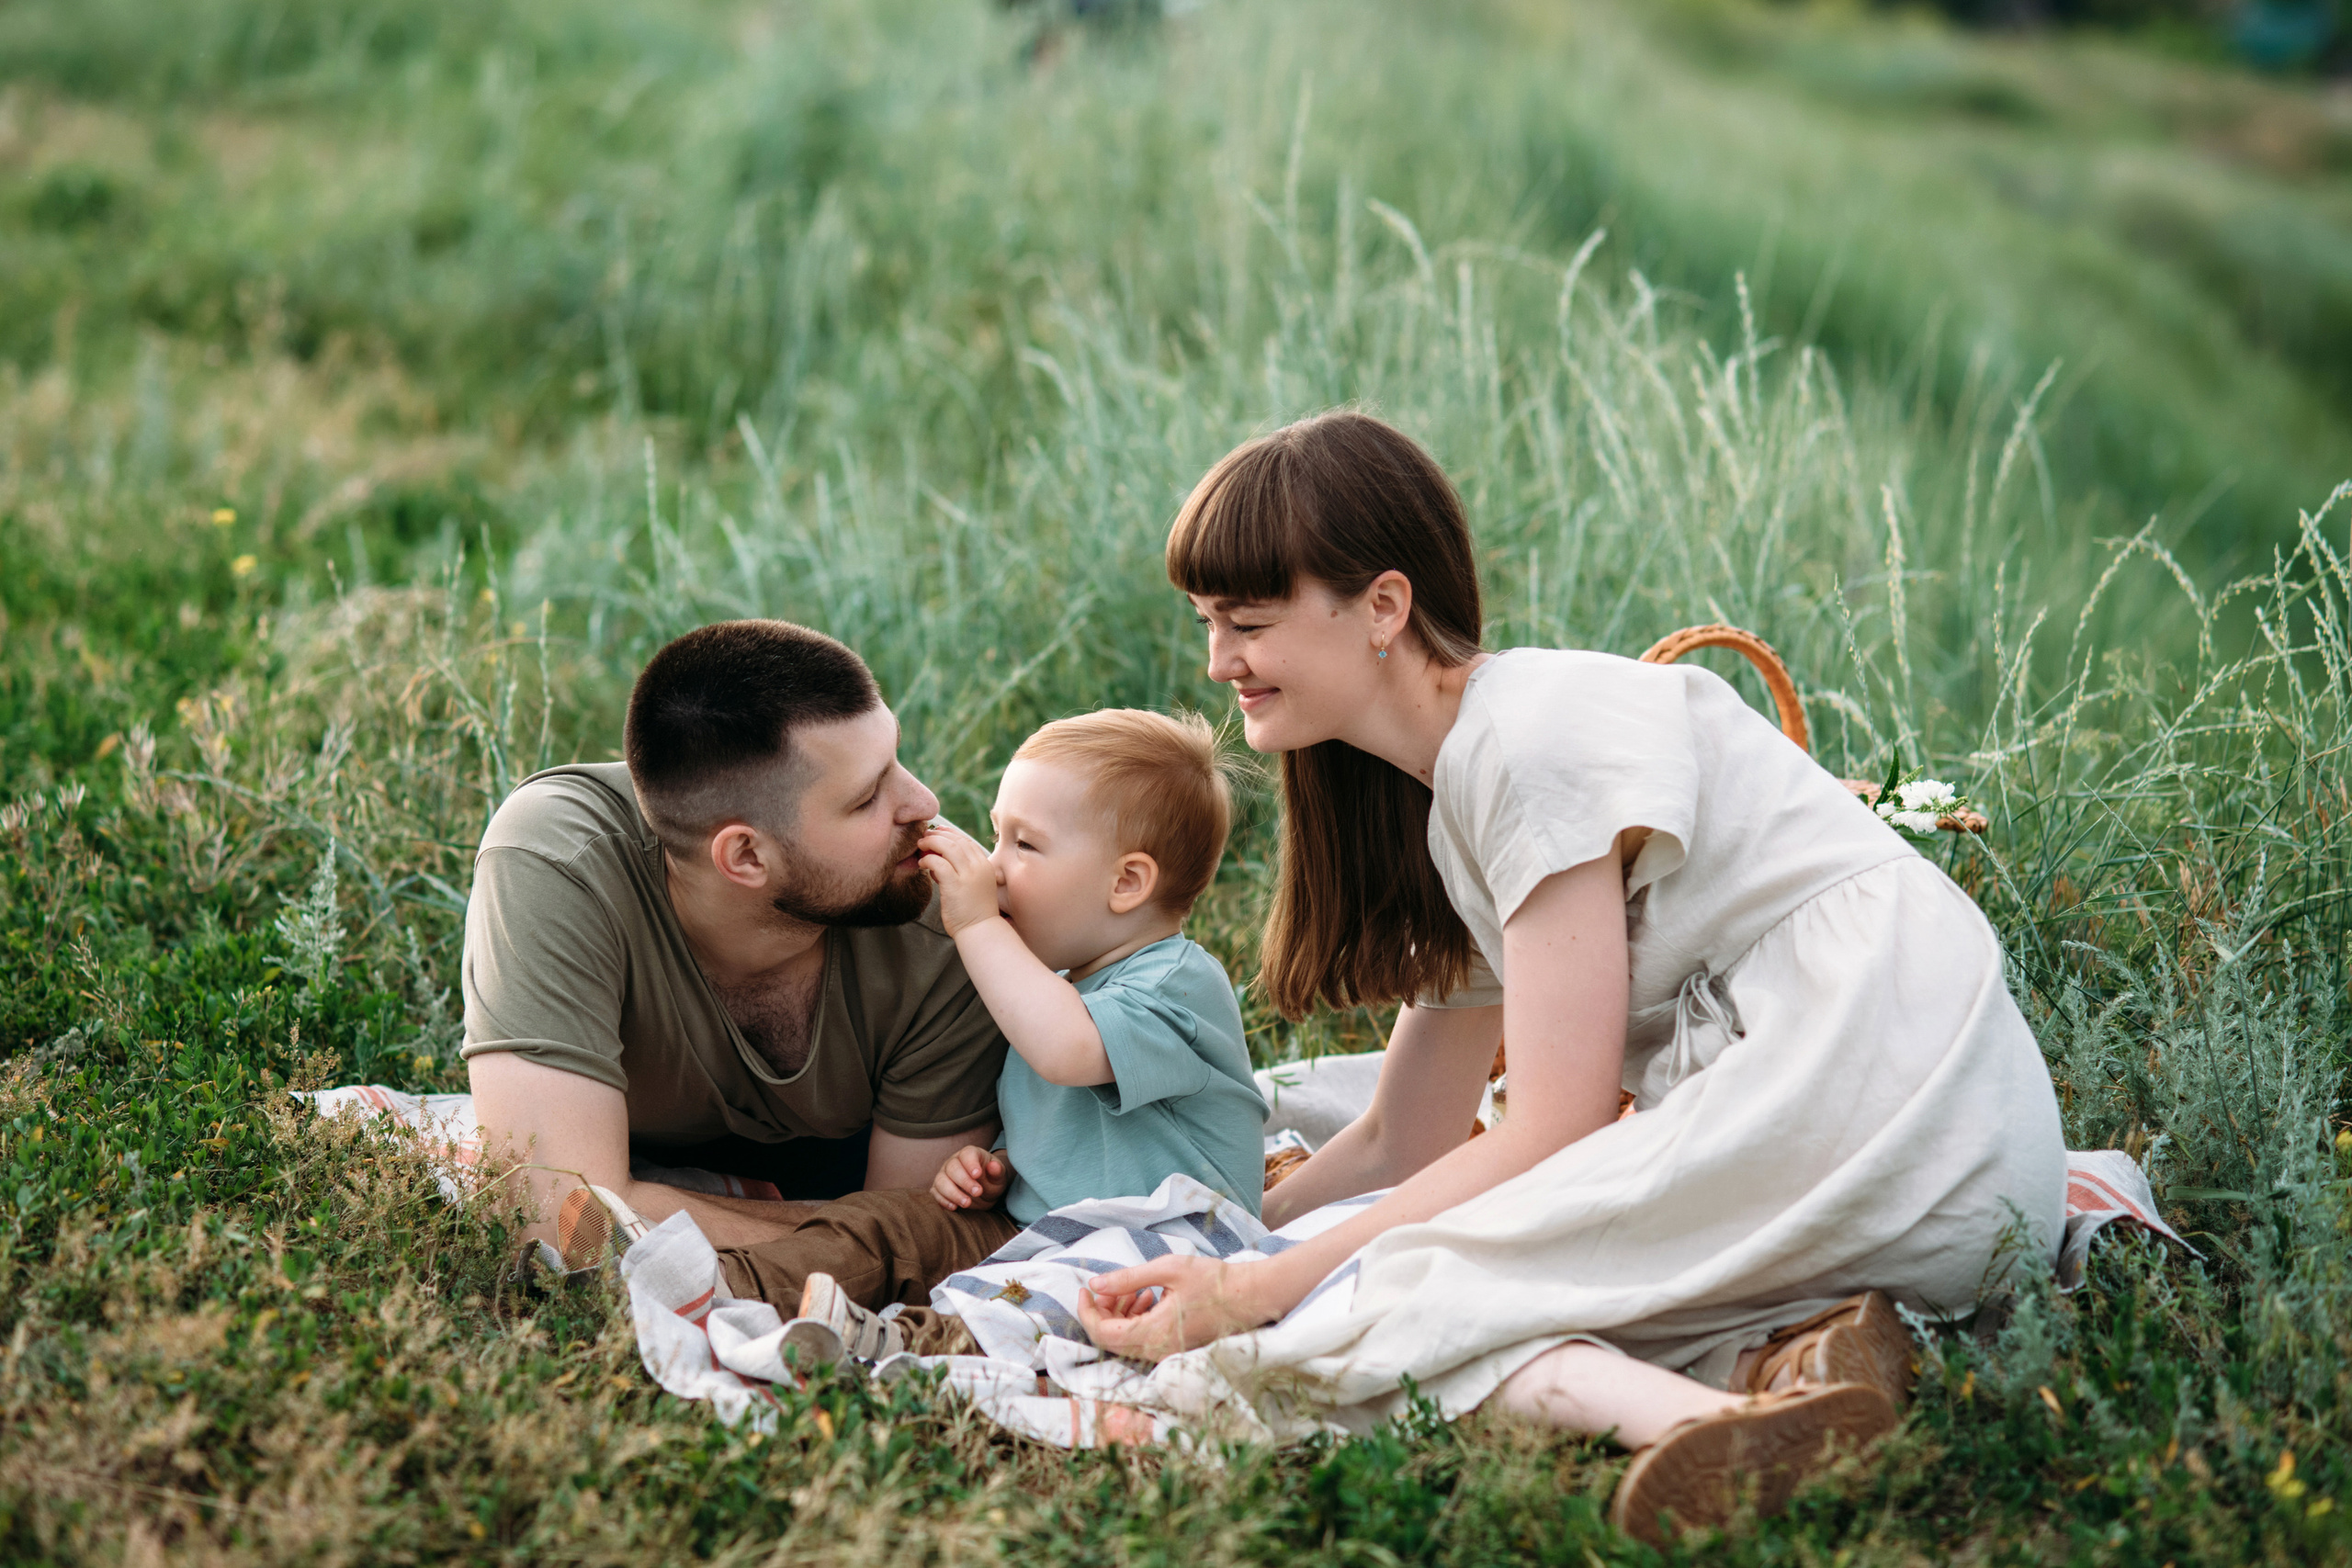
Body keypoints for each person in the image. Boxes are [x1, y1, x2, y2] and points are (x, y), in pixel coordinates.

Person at [1069, 412, 2068, 1543]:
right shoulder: (1453, 789)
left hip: (1883, 1084)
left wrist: (1258, 1291)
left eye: (1248, 622)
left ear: (1384, 608)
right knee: (1392, 1264)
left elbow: (1553, 1126)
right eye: (1208, 623)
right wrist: (1226, 1241)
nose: (1218, 662)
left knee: (1394, 1293)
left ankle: (1717, 1414)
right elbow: (1407, 1135)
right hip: (1921, 1131)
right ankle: (1806, 1363)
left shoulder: (1524, 742)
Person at [462, 619, 1014, 1292]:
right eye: (868, 797)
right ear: (745, 855)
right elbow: (554, 1218)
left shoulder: (956, 927)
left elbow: (913, 1243)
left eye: (896, 758)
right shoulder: (559, 860)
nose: (924, 803)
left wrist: (629, 1201)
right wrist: (854, 1230)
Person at [737, 707, 1267, 1362]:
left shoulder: (1179, 983)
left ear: (1126, 882)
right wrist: (998, 1167)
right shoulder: (1056, 987)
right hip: (1029, 1233)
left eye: (1025, 844)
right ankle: (734, 1287)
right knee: (887, 1224)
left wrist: (977, 926)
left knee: (1046, 1303)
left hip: (1163, 1249)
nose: (993, 867)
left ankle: (899, 1346)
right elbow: (1074, 1132)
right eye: (995, 837)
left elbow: (1068, 1051)